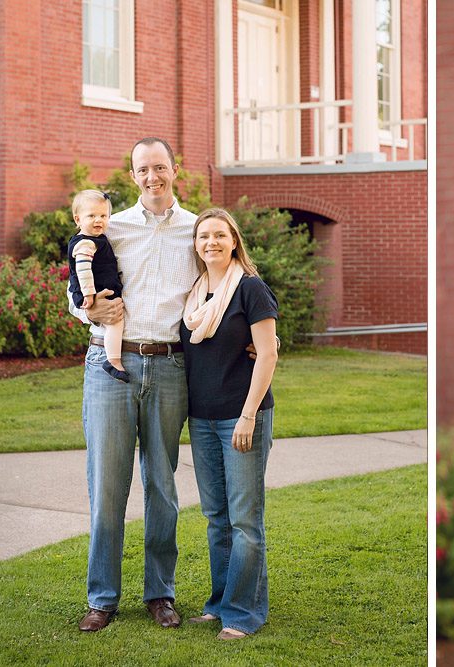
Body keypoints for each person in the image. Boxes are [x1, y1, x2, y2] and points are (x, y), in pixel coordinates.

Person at [73, 137, 200, 632]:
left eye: (160, 167)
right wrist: (88, 308)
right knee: (107, 485)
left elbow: (225, 280)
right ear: (133, 176)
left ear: (174, 170)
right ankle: (102, 598)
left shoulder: (195, 229)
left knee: (162, 485)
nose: (153, 176)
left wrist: (254, 334)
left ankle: (160, 593)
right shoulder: (110, 227)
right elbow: (77, 286)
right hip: (110, 364)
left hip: (169, 366)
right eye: (143, 169)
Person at [180, 208, 278, 640]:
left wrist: (247, 415)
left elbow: (268, 353)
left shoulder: (251, 290)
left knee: (244, 519)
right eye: (203, 236)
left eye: (219, 235)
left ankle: (243, 614)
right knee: (216, 516)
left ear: (233, 241)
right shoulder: (195, 295)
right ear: (196, 245)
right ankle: (219, 603)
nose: (211, 242)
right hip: (202, 418)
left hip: (242, 416)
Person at [67, 189, 128, 382]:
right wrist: (89, 295)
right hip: (96, 292)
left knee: (115, 322)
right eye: (91, 216)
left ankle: (113, 359)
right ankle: (113, 361)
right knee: (115, 321)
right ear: (78, 220)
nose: (98, 220)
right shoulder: (86, 243)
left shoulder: (96, 239)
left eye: (103, 216)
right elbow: (83, 271)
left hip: (100, 288)